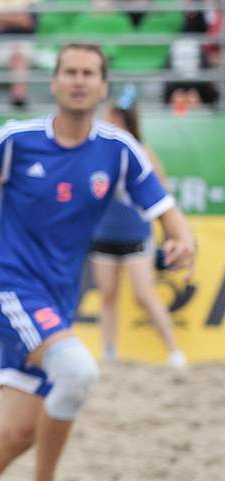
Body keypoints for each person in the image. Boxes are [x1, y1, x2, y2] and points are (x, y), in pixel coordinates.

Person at [0, 44, 196, 481]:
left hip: (56, 302)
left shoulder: (118, 150)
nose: (78, 80)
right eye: (69, 71)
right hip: (9, 290)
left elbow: (165, 208)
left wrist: (182, 239)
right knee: (78, 371)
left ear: (103, 86)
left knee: (17, 434)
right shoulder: (17, 140)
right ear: (55, 82)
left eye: (88, 73)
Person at [90, 86, 187, 369]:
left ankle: (174, 350)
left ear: (125, 118)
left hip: (135, 233)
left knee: (144, 295)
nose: (109, 120)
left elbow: (162, 192)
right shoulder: (98, 150)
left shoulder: (140, 151)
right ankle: (109, 352)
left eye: (115, 115)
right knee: (107, 296)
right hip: (104, 232)